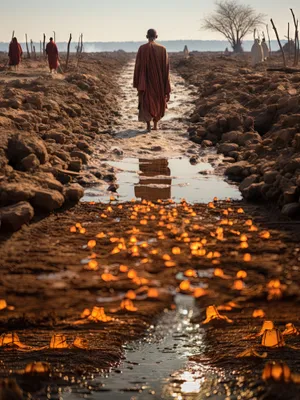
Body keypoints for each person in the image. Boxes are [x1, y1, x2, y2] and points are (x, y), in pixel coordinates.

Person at [134, 29, 171, 132]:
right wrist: (166, 87)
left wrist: (137, 82)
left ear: (146, 36)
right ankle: (155, 125)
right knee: (158, 101)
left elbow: (138, 66)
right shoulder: (162, 49)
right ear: (157, 36)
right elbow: (166, 70)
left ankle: (148, 126)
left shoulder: (142, 49)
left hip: (145, 82)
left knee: (146, 101)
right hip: (158, 83)